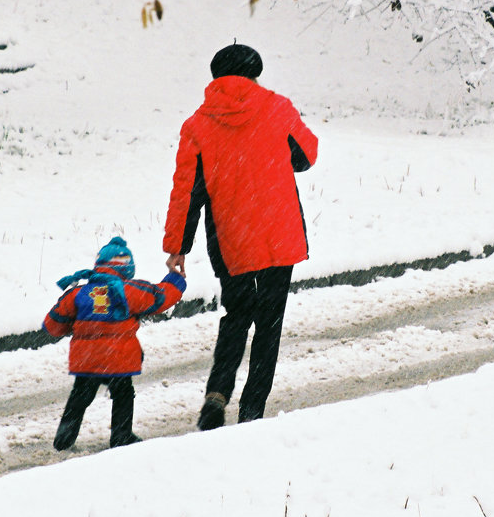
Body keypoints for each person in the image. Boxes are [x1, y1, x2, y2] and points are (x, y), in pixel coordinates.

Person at [164, 43, 318, 430]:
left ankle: (216, 396)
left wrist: (178, 246)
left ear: (215, 76)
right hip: (278, 233)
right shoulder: (278, 107)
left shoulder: (197, 125)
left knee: (235, 316)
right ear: (254, 72)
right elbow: (307, 155)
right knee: (269, 324)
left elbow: (187, 189)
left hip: (230, 237)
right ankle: (252, 411)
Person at [43, 236, 186, 449]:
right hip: (118, 360)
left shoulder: (77, 293)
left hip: (86, 360)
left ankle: (64, 437)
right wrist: (175, 279)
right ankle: (121, 435)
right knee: (123, 394)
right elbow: (160, 297)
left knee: (80, 397)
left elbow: (52, 324)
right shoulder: (131, 291)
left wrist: (74, 324)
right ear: (127, 267)